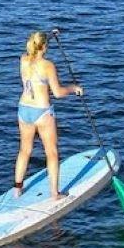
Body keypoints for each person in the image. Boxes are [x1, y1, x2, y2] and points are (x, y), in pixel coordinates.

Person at [13, 31, 83, 200]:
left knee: (24, 150)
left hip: (24, 109)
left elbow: (38, 45)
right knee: (51, 152)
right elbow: (58, 93)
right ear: (44, 47)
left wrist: (50, 35)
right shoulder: (48, 65)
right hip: (42, 112)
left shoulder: (23, 60)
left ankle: (17, 189)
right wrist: (74, 88)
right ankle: (54, 193)